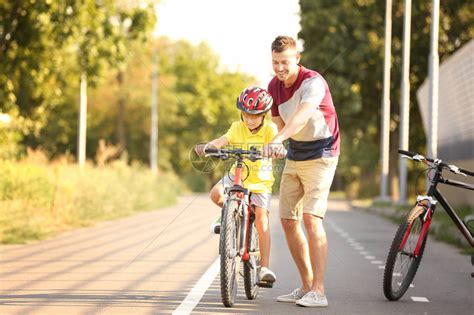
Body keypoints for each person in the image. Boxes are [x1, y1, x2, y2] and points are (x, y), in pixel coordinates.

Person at [263, 35, 340, 307]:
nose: (280, 68)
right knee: (287, 220)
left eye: (285, 62)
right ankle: (306, 286)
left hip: (322, 153)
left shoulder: (313, 83)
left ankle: (319, 291)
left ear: (297, 58)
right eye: (275, 62)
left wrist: (279, 138)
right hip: (295, 153)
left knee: (310, 219)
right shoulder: (273, 86)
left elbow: (301, 115)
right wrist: (277, 142)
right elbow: (276, 123)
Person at [195, 86, 279, 285]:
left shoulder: (270, 129)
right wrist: (209, 147)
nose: (249, 119)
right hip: (237, 173)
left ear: (264, 115)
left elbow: (277, 143)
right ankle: (227, 214)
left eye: (255, 116)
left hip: (260, 181)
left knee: (262, 220)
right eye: (246, 114)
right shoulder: (236, 127)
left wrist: (276, 149)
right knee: (216, 194)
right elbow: (223, 140)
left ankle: (264, 268)